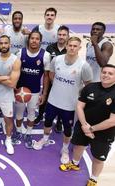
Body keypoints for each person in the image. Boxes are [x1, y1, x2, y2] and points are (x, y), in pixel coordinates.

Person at [33, 37, 93, 165]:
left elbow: (88, 84)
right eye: (70, 45)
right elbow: (51, 75)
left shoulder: (84, 66)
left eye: (75, 46)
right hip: (53, 100)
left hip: (70, 105)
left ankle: (65, 149)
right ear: (66, 46)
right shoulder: (57, 60)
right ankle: (44, 139)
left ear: (79, 48)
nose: (72, 48)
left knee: (67, 129)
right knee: (47, 122)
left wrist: (76, 91)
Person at [60, 64, 115, 186]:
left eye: (110, 73)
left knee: (98, 158)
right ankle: (74, 163)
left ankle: (93, 179)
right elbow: (79, 106)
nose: (106, 75)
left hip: (104, 132)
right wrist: (85, 125)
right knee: (79, 146)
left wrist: (91, 129)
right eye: (104, 72)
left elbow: (112, 121)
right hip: (83, 125)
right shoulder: (90, 87)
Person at [14, 31, 50, 148]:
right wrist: (14, 87)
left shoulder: (45, 55)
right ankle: (18, 130)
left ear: (40, 41)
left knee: (31, 113)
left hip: (34, 91)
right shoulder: (20, 53)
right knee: (19, 113)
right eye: (32, 38)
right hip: (21, 90)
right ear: (28, 40)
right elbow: (15, 72)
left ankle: (28, 133)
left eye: (37, 39)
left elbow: (46, 76)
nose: (34, 41)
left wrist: (44, 94)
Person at [35, 25, 70, 132]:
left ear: (68, 36)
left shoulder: (69, 48)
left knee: (62, 101)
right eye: (59, 34)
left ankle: (59, 121)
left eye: (64, 35)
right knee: (45, 97)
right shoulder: (50, 48)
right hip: (50, 79)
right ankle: (40, 115)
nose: (61, 37)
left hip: (64, 82)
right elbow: (47, 65)